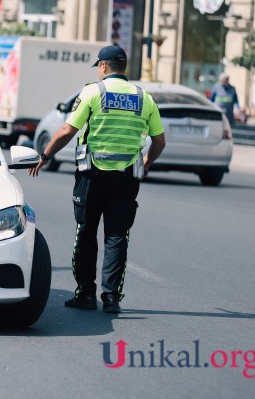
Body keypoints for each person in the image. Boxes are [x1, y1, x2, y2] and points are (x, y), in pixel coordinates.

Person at [28, 45, 166, 314]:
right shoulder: (143, 97)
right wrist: (146, 164)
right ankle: (112, 298)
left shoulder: (93, 91)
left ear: (103, 66)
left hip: (92, 174)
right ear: (123, 68)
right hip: (127, 177)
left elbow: (69, 130)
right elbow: (159, 140)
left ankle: (86, 294)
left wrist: (45, 155)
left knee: (86, 232)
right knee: (117, 236)